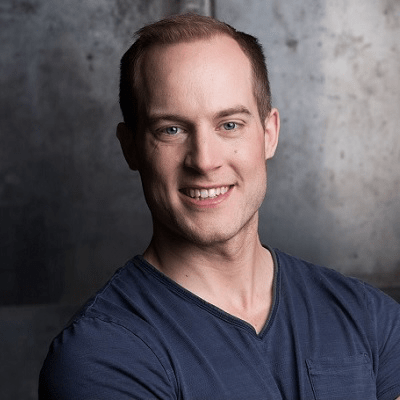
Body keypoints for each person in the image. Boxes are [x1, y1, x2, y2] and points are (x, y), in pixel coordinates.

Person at [39, 13, 400, 400]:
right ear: (131, 147)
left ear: (269, 134)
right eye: (171, 129)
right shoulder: (100, 356)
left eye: (229, 125)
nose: (205, 161)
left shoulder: (369, 317)